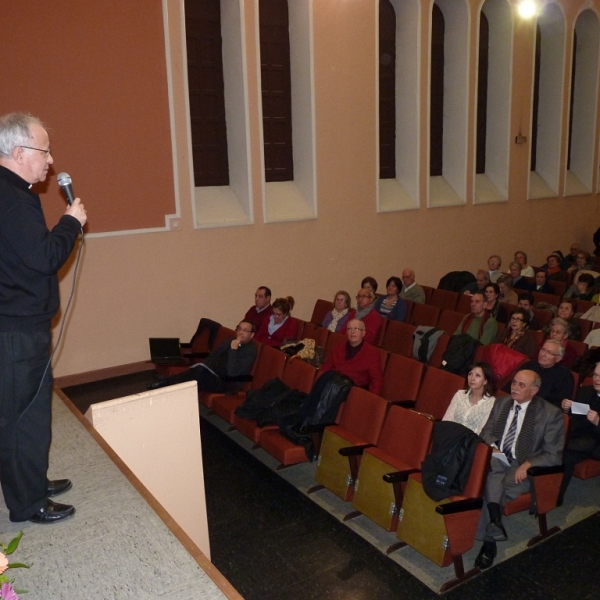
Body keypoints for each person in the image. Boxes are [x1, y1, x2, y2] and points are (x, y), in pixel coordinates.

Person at [0, 113, 87, 524]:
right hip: (17, 329)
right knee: (24, 419)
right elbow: (45, 258)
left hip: (15, 324)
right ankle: (27, 501)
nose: (51, 160)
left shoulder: (12, 192)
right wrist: (71, 222)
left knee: (25, 413)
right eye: (44, 150)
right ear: (19, 153)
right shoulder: (13, 199)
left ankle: (30, 481)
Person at [473, 370, 564, 569]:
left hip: (521, 464)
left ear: (534, 390)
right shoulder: (501, 403)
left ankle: (490, 541)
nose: (514, 387)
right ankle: (495, 524)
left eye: (521, 385)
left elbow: (554, 454)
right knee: (492, 471)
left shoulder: (550, 414)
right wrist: (494, 446)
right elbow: (486, 431)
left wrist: (529, 463)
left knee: (492, 488)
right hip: (497, 457)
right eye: (514, 382)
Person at [148, 321, 257, 391]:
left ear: (252, 335)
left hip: (228, 382)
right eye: (239, 329)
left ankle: (165, 385)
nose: (240, 333)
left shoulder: (250, 350)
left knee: (197, 373)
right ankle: (166, 386)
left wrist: (234, 350)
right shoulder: (230, 340)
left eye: (245, 330)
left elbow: (232, 373)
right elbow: (214, 356)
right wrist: (205, 367)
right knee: (197, 370)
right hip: (213, 373)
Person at [559, 362, 600, 505]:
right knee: (564, 452)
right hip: (576, 436)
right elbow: (572, 417)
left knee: (564, 453)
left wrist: (598, 422)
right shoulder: (586, 391)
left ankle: (556, 497)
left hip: (595, 441)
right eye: (595, 375)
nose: (597, 379)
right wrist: (565, 408)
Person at [321, 318, 383, 395]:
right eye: (349, 329)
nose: (352, 332)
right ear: (347, 332)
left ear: (363, 333)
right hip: (333, 385)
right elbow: (325, 368)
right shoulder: (338, 348)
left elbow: (376, 381)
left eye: (356, 329)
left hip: (354, 392)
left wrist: (369, 401)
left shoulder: (372, 353)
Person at [511, 340, 575, 409]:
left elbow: (558, 404)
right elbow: (511, 385)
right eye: (543, 350)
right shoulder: (529, 365)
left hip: (541, 411)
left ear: (558, 358)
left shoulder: (564, 376)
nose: (543, 354)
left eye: (549, 353)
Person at [442, 362, 496, 434]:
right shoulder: (460, 395)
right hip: (450, 436)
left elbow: (482, 432)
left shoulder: (491, 403)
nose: (472, 378)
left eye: (477, 375)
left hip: (470, 442)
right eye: (470, 374)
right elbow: (446, 420)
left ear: (485, 381)